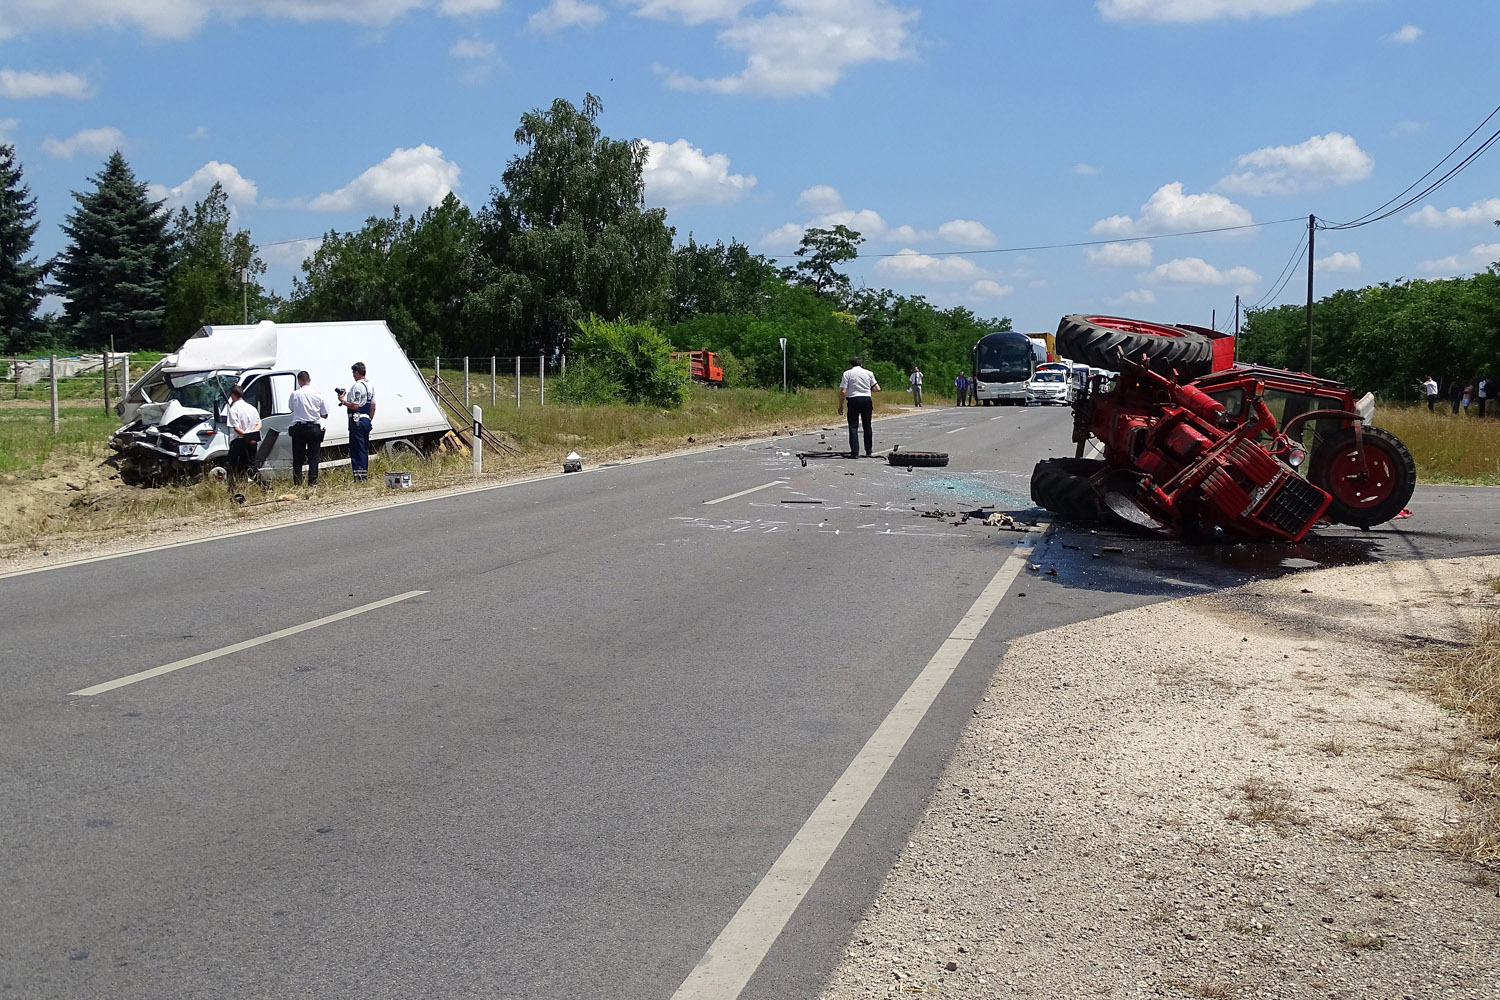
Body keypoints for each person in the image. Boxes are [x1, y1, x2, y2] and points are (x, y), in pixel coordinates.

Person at [288, 370, 329, 486]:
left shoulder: (295, 394)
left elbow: (291, 407)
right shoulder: (318, 394)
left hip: (299, 428)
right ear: (309, 380)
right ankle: (313, 481)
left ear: (299, 381)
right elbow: (325, 414)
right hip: (314, 428)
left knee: (298, 458)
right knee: (314, 456)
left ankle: (297, 483)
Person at [837, 356, 881, 459]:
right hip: (866, 399)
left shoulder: (847, 373)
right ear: (861, 364)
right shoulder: (869, 373)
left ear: (851, 364)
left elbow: (843, 391)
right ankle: (868, 450)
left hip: (853, 399)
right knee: (867, 425)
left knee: (853, 426)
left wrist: (840, 406)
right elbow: (877, 388)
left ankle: (855, 452)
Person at [340, 361, 376, 481]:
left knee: (356, 449)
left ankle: (359, 476)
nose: (353, 375)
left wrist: (343, 400)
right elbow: (373, 406)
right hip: (366, 419)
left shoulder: (357, 386)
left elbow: (355, 406)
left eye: (353, 373)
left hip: (357, 420)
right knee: (364, 448)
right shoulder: (370, 386)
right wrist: (369, 419)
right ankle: (363, 473)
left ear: (356, 372)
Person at [224, 384, 261, 484]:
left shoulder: (233, 409)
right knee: (251, 466)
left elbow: (236, 427)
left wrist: (246, 436)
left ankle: (233, 489)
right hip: (252, 441)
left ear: (232, 395)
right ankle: (264, 486)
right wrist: (252, 434)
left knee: (233, 467)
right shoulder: (252, 408)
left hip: (240, 441)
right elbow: (259, 424)